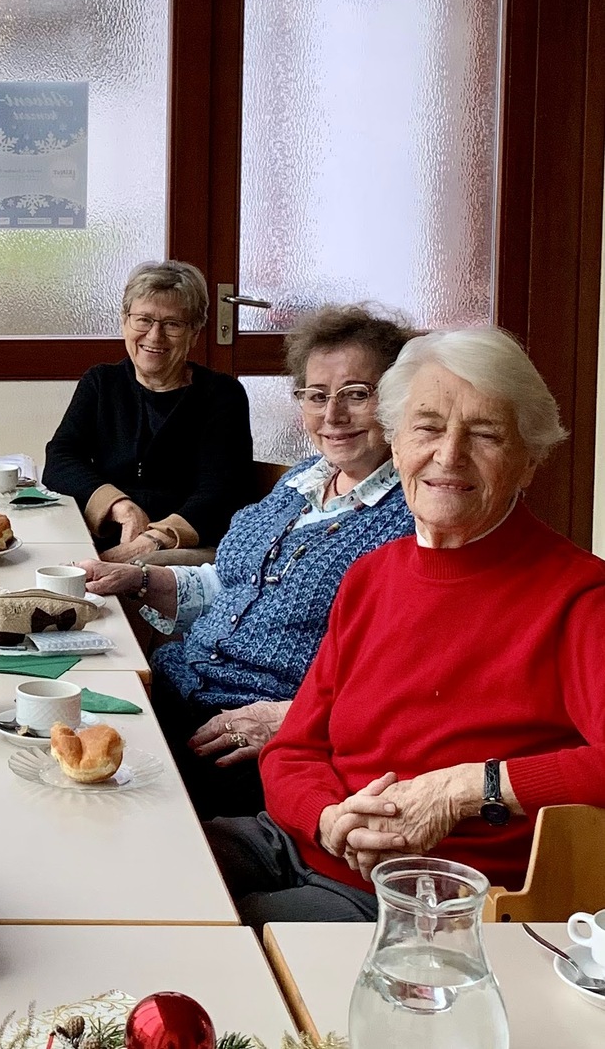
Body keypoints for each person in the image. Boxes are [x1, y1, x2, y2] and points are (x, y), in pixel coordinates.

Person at [207, 327, 605, 926]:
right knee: (137, 869)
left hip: (415, 897)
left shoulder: (578, 596)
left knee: (205, 946)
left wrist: (466, 789)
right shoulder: (372, 575)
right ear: (396, 445)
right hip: (297, 840)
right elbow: (295, 747)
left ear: (529, 462)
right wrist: (326, 817)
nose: (449, 455)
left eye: (485, 434)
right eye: (427, 427)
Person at [84, 305, 416, 819]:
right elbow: (233, 584)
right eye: (317, 395)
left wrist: (293, 717)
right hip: (179, 686)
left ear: (398, 400)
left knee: (101, 809)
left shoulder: (413, 516)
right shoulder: (303, 479)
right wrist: (141, 579)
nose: (332, 415)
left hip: (252, 731)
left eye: (356, 394)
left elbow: (399, 673)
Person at [44, 260, 254, 559]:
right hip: (105, 532)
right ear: (124, 322)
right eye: (143, 320)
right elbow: (60, 459)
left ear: (194, 333)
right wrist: (121, 507)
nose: (155, 336)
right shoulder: (101, 382)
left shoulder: (221, 394)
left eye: (172, 324)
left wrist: (153, 539)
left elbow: (222, 490)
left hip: (185, 546)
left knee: (107, 574)